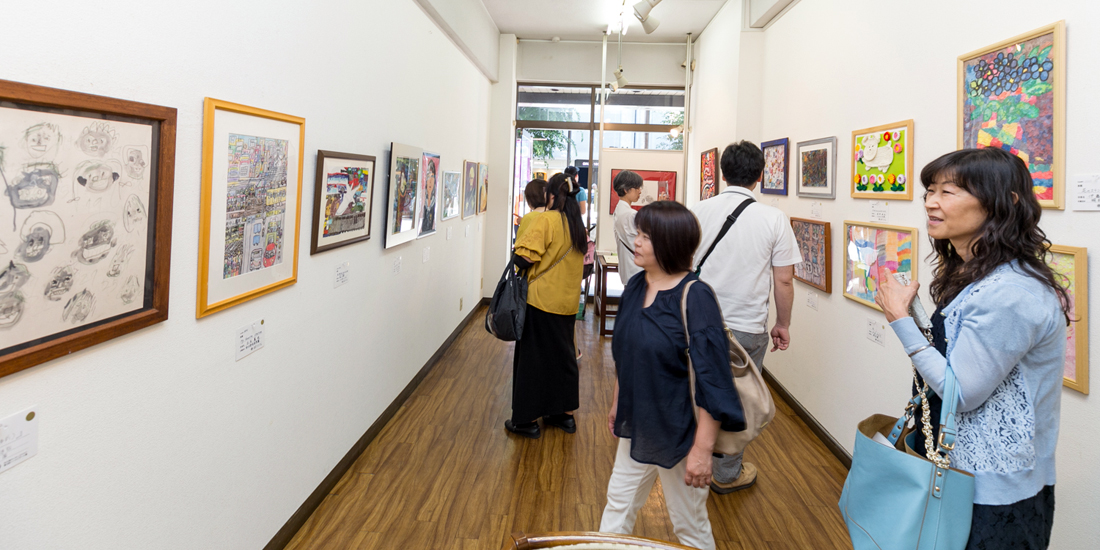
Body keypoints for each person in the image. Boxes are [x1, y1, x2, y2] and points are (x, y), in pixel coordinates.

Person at [876, 147, 1069, 550]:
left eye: (949, 191)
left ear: (1005, 202)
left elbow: (960, 392)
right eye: (930, 190)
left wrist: (900, 320)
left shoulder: (1011, 291)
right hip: (960, 471)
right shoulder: (976, 272)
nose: (931, 201)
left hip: (995, 493)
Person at [600, 201, 744, 550]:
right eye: (639, 233)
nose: (637, 241)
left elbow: (713, 381)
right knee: (617, 508)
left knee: (689, 526)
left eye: (646, 236)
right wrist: (620, 403)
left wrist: (702, 450)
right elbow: (626, 352)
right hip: (639, 425)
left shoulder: (695, 298)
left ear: (669, 244)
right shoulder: (635, 287)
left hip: (682, 434)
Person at [690, 140, 801, 494]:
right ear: (760, 176)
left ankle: (688, 459)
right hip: (745, 327)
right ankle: (724, 474)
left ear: (723, 174)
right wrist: (782, 324)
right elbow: (783, 278)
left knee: (694, 389)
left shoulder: (697, 211)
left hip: (694, 319)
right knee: (738, 400)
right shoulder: (773, 218)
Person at [506, 173, 587, 439]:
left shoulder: (546, 220)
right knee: (563, 359)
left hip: (540, 301)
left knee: (533, 361)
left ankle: (526, 420)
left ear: (551, 195)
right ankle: (562, 415)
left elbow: (524, 258)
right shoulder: (577, 224)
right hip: (567, 302)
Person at [612, 170, 644, 285]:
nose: (640, 191)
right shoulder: (631, 214)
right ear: (626, 190)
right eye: (637, 188)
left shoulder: (619, 211)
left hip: (628, 271)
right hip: (637, 271)